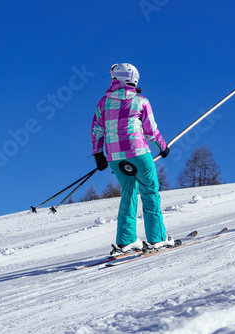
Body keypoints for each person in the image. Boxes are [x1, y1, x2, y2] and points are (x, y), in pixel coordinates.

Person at [91, 63, 173, 254]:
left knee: (128, 194)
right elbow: (150, 131)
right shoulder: (141, 100)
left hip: (115, 157)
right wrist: (163, 146)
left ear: (116, 80)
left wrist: (98, 154)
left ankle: (126, 240)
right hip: (138, 153)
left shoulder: (103, 103)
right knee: (149, 192)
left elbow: (97, 130)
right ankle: (158, 238)